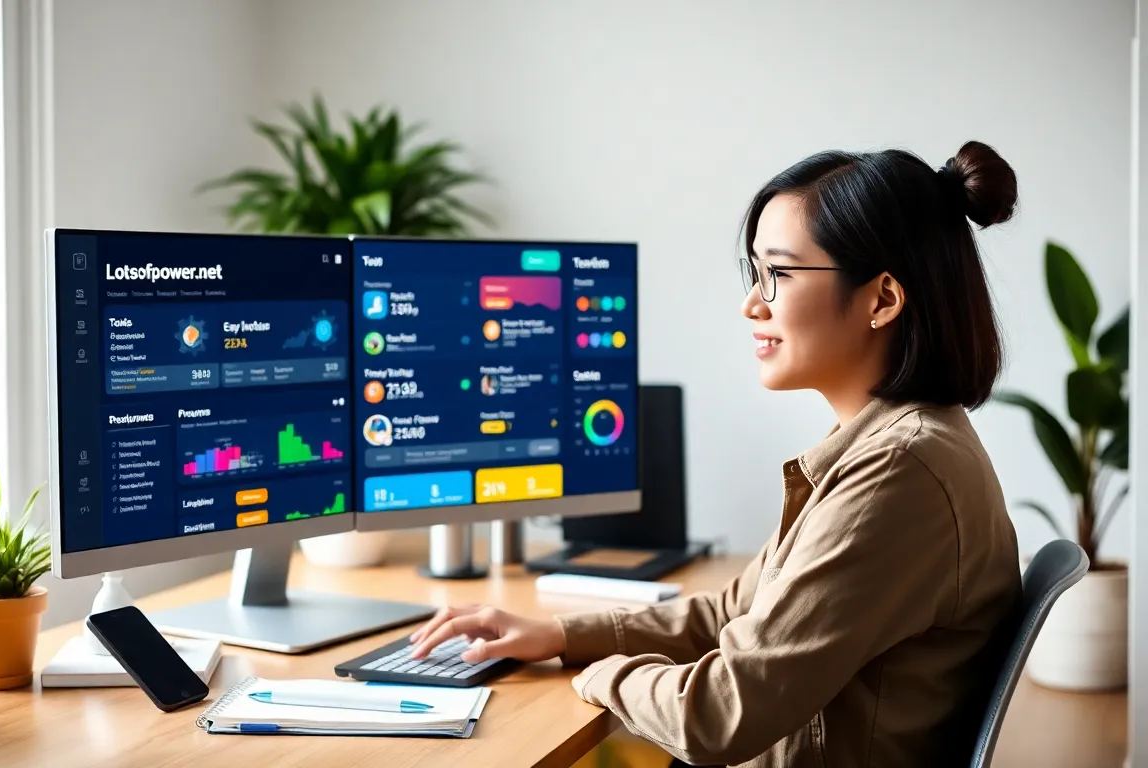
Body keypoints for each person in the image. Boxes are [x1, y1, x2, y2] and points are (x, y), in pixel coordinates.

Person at [407, 141, 1023, 767]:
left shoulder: (898, 473)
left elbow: (722, 713)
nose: (752, 304)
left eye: (779, 275)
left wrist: (601, 676)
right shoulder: (894, 446)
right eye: (755, 273)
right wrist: (563, 637)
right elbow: (733, 611)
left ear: (883, 300)